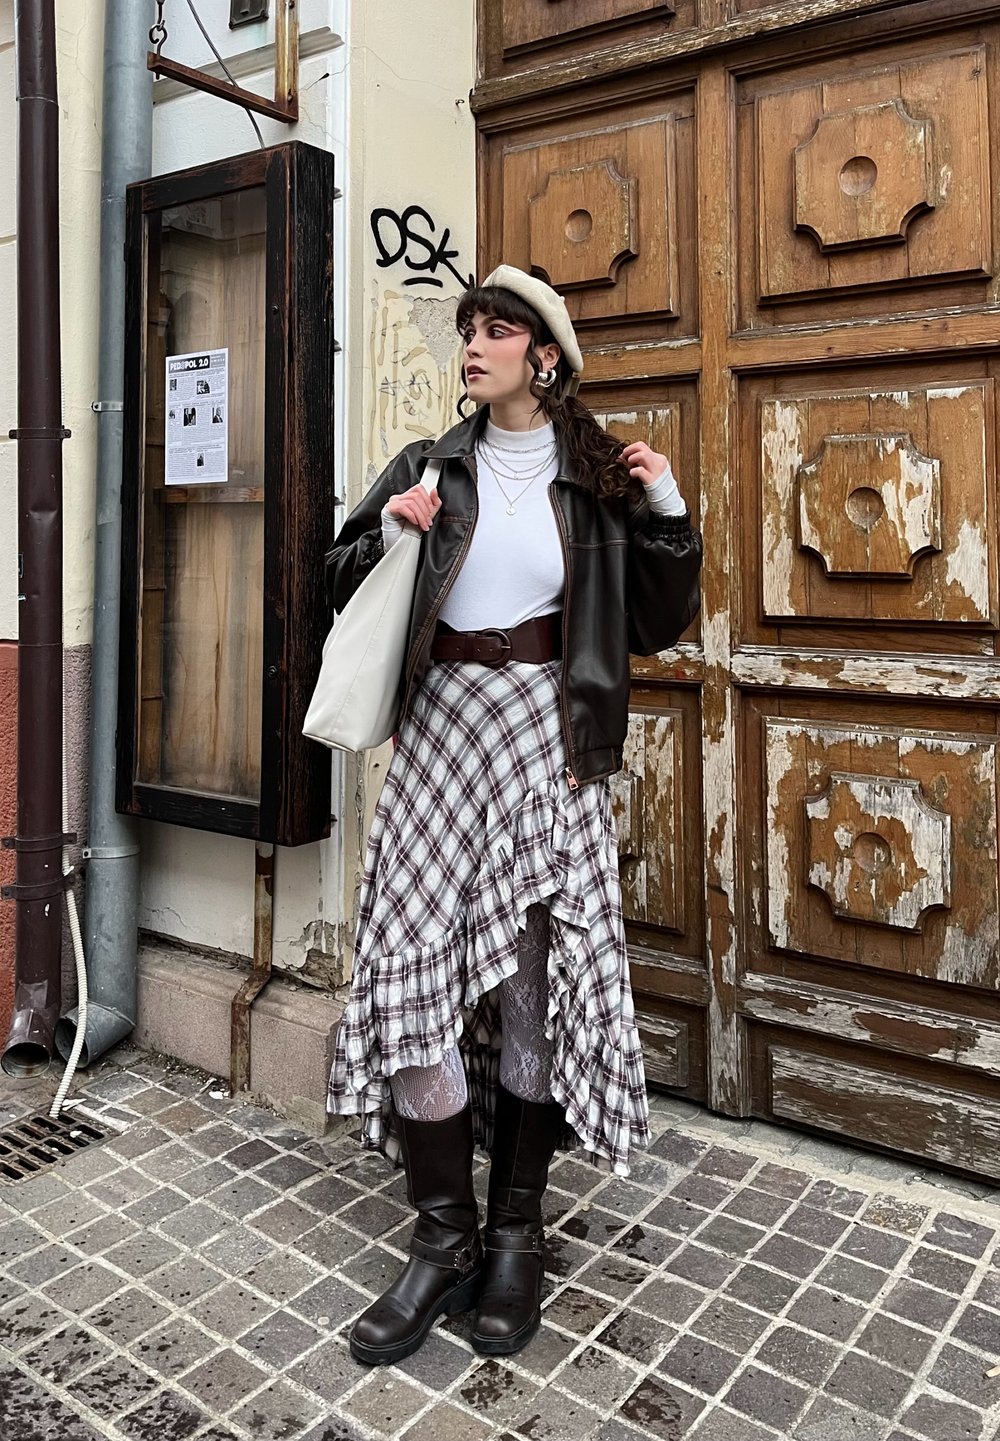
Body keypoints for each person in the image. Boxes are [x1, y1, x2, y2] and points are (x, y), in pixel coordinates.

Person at [324, 265, 702, 1367]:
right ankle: (439, 1236)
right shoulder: (429, 465)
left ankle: (515, 1236)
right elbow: (336, 577)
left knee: (533, 981)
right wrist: (394, 532)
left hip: (547, 737)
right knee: (410, 967)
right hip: (441, 728)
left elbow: (656, 622)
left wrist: (667, 509)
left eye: (499, 330)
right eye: (470, 330)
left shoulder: (597, 478)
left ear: (545, 354)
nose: (476, 345)